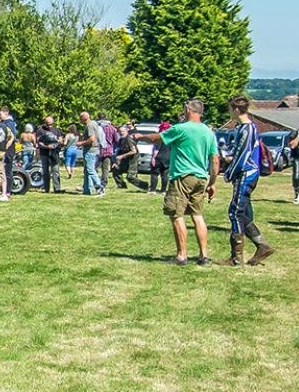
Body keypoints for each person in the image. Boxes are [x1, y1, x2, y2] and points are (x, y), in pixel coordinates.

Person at [151, 98, 219, 265]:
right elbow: (215, 160)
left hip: (182, 177)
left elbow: (157, 138)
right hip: (201, 178)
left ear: (188, 109)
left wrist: (139, 136)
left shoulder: (181, 128)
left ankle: (182, 255)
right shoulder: (208, 132)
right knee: (197, 215)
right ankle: (204, 256)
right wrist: (212, 183)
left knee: (176, 215)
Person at [222, 96, 274, 266]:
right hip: (245, 173)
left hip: (246, 174)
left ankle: (237, 257)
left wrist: (229, 173)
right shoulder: (243, 128)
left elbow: (242, 156)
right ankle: (262, 245)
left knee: (235, 212)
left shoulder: (247, 129)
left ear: (236, 110)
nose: (229, 113)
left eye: (230, 109)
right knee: (244, 213)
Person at [79, 111, 104, 197]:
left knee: (90, 170)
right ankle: (87, 190)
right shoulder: (93, 124)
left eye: (80, 118)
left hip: (91, 150)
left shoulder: (90, 125)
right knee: (87, 171)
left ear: (84, 118)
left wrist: (81, 143)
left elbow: (92, 139)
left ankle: (99, 187)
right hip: (93, 150)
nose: (80, 120)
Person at [35, 117, 62, 193]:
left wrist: (57, 142)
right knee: (45, 172)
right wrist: (47, 146)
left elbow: (60, 140)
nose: (49, 126)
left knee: (55, 171)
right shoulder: (40, 130)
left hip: (54, 153)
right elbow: (39, 142)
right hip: (44, 153)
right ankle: (46, 188)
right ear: (45, 123)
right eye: (48, 124)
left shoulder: (57, 130)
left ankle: (57, 189)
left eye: (51, 124)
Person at [111, 122, 139, 190]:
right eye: (120, 131)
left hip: (132, 160)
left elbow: (134, 151)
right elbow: (119, 152)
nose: (121, 133)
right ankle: (121, 186)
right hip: (125, 159)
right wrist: (116, 162)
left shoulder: (129, 139)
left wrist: (122, 156)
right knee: (115, 169)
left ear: (126, 131)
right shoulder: (121, 140)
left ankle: (145, 186)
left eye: (123, 131)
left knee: (130, 177)